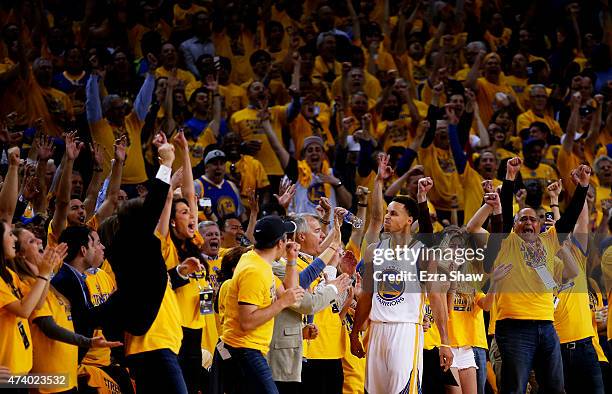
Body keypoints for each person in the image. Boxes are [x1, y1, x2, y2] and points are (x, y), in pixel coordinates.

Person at [486, 158, 592, 393]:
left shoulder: (549, 241)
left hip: (546, 326)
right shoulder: (507, 242)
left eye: (534, 219)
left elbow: (571, 217)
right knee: (514, 389)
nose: (529, 223)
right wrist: (510, 176)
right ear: (515, 226)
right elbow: (502, 217)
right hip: (513, 327)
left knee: (555, 388)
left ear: (541, 225)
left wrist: (582, 187)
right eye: (522, 219)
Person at [350, 155, 453, 394]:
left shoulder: (422, 254)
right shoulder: (374, 251)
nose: (387, 216)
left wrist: (445, 342)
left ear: (409, 220)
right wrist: (355, 333)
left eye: (394, 213)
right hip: (376, 330)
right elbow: (366, 296)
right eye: (387, 212)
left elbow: (437, 299)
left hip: (406, 331)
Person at [214, 215, 305, 393]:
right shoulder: (254, 271)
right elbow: (247, 321)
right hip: (242, 350)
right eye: (286, 239)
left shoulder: (256, 259)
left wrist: (292, 259)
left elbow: (288, 292)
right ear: (280, 243)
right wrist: (281, 304)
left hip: (248, 349)